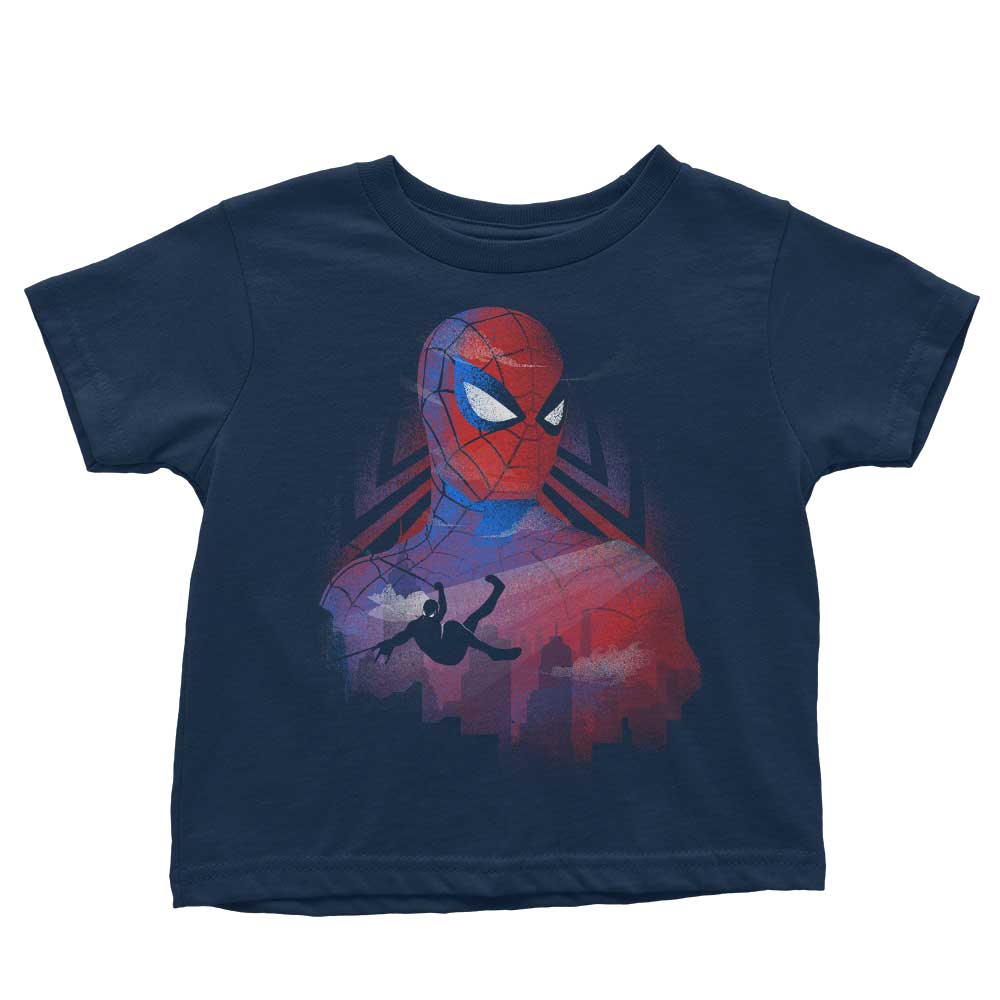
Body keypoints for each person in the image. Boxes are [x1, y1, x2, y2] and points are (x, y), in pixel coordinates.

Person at [376, 575, 521, 666]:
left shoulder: (433, 620)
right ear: (425, 611)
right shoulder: (415, 626)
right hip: (447, 656)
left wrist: (441, 590)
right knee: (451, 625)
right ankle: (492, 652)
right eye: (431, 611)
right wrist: (387, 645)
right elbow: (400, 638)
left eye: (434, 611)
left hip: (452, 648)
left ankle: (498, 589)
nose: (434, 614)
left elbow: (443, 608)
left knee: (473, 618)